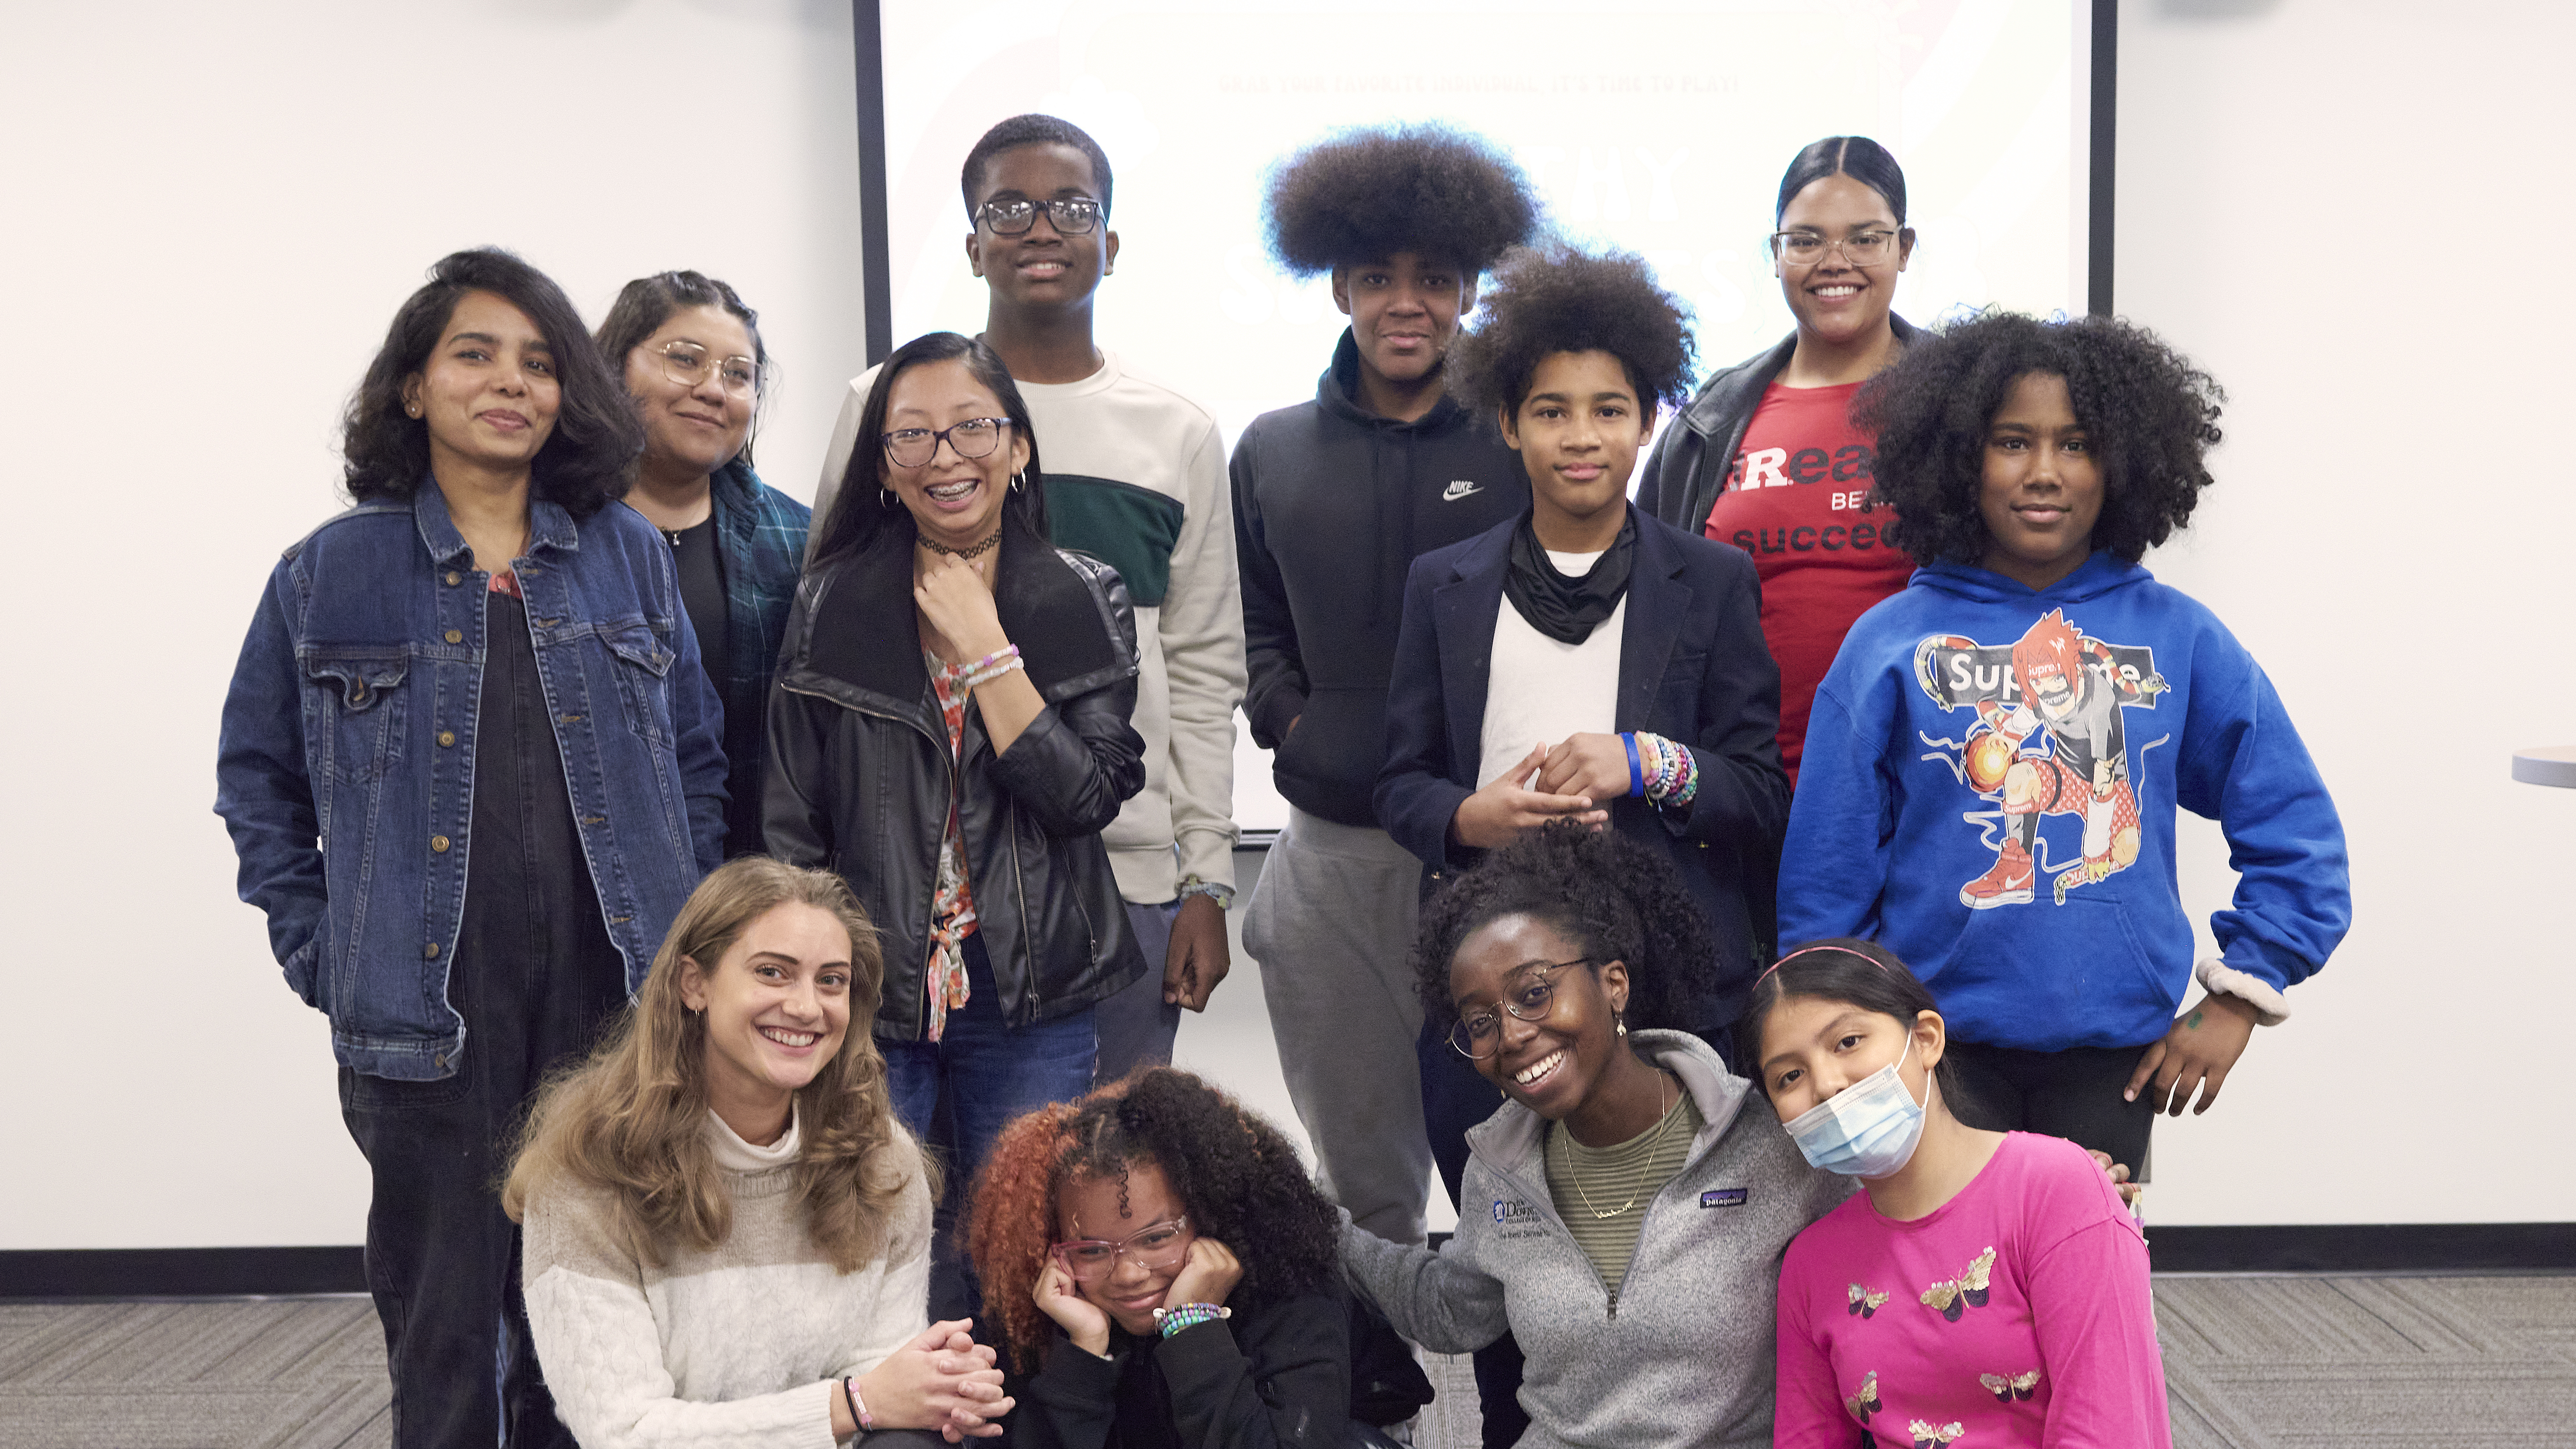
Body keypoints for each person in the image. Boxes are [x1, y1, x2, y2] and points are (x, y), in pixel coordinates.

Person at [214, 247, 727, 1448]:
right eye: (475, 354)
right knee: (446, 1334)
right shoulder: (329, 572)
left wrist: (684, 936)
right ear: (412, 387)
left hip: (619, 1010)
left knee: (596, 1329)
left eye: (542, 362)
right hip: (425, 1010)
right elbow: (260, 781)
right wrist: (325, 950)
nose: (513, 382)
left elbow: (696, 762)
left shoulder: (626, 554)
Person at [1778, 311, 2351, 1179]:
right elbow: (1829, 873)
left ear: (2120, 464)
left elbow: (2296, 832)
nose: (2043, 472)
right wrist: (1842, 1042)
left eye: (2076, 444)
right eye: (2012, 441)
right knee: (1941, 1302)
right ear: (1961, 457)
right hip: (1934, 1053)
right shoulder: (1888, 643)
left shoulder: (2180, 639)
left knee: (2079, 1293)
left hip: (2110, 1059)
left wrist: (2241, 994)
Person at [815, 115, 1245, 1076]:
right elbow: (827, 644)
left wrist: (1207, 881)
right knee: (928, 1206)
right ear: (973, 245)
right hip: (915, 883)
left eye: (1071, 207)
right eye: (1008, 207)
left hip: (1121, 868)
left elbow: (1209, 670)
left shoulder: (1176, 432)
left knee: (1107, 1185)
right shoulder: (881, 403)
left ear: (1112, 242)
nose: (1040, 228)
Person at [766, 330, 1147, 1262]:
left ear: (1018, 449)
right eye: (914, 436)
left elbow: (1085, 795)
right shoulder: (829, 603)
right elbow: (789, 827)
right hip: (867, 997)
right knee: (868, 1251)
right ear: (884, 467)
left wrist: (988, 649)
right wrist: (810, 988)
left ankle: (1012, 1416)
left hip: (1032, 994)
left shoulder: (1082, 594)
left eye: (973, 427)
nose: (946, 456)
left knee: (1020, 1250)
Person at [1232, 120, 1537, 1253]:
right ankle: (1379, 1417)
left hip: (1487, 851)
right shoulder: (1273, 448)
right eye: (1377, 279)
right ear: (1340, 289)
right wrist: (1291, 720)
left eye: (1434, 280)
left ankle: (1533, 1410)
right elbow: (1253, 620)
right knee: (1364, 1178)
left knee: (1520, 1160)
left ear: (1469, 290)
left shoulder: (1520, 440)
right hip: (1329, 853)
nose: (1406, 303)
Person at [1377, 243, 1791, 1039]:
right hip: (1492, 967)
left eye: (1608, 410)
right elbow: (1401, 783)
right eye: (1550, 411)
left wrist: (1644, 763)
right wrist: (1471, 818)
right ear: (1508, 423)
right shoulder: (1444, 582)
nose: (1581, 436)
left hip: (1668, 971)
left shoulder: (1712, 581)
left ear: (1647, 424)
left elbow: (1760, 795)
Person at [1340, 824, 1852, 1448]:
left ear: (1614, 984)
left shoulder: (1768, 1143)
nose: (1511, 1034)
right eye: (1479, 1021)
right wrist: (1314, 1222)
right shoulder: (1500, 1169)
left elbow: (1874, 1312)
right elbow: (1449, 1310)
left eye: (1533, 993)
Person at [506, 856, 1014, 1446]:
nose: (806, 1007)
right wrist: (851, 1404)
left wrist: (936, 1387)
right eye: (773, 972)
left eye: (832, 980)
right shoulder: (585, 1175)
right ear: (693, 983)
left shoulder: (882, 1163)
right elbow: (627, 1433)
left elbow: (884, 1390)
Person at [1742, 940, 2170, 1446]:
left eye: (1848, 1042)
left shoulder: (2058, 1191)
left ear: (1925, 1039)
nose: (1828, 1084)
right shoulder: (1810, 1264)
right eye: (1790, 1076)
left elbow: (2110, 1429)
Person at [1635, 136, 1924, 786]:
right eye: (1806, 240)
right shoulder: (1709, 418)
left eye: (1865, 238)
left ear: (1903, 249)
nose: (1834, 262)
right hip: (1739, 798)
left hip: (1922, 799)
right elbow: (1649, 601)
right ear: (1775, 255)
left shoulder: (1968, 408)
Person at [962, 1068, 1431, 1448]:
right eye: (1091, 1249)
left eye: (1156, 1239)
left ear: (1207, 1213)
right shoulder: (1055, 1302)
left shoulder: (1291, 1285)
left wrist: (1193, 1327)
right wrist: (1084, 1357)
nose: (1127, 1274)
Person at [598, 270, 812, 857]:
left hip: (753, 894)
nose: (714, 390)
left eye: (738, 375)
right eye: (685, 360)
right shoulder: (547, 532)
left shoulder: (802, 541)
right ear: (614, 369)